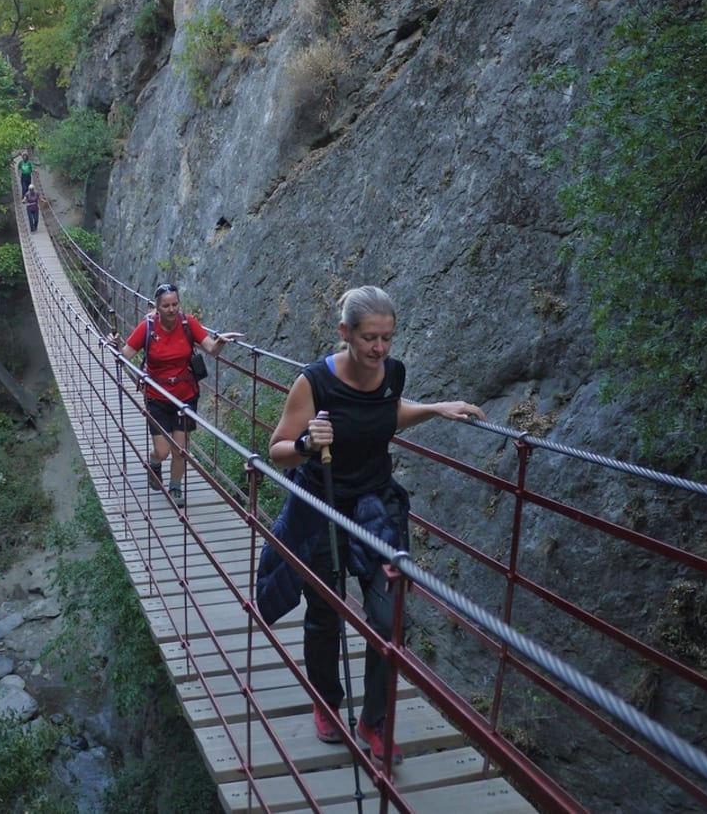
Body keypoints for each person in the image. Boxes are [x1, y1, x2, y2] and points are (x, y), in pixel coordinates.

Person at [267, 286, 485, 766]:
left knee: (388, 620)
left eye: (387, 338)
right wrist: (306, 444)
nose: (380, 348)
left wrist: (434, 408)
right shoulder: (314, 383)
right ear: (345, 333)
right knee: (325, 611)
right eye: (370, 338)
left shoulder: (393, 374)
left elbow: (388, 414)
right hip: (322, 502)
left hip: (374, 507)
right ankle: (326, 702)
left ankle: (374, 721)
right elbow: (277, 450)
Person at [108, 284, 243, 505]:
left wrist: (220, 342)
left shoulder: (188, 323)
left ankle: (175, 487)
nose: (171, 309)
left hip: (185, 396)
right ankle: (154, 462)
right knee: (162, 451)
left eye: (175, 304)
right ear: (157, 308)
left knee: (180, 449)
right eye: (166, 306)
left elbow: (211, 349)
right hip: (157, 396)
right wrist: (116, 346)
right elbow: (125, 356)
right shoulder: (147, 327)